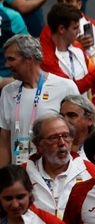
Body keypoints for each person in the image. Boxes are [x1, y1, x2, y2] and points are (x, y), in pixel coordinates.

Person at [0, 35, 79, 167]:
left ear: (29, 59)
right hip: (21, 175)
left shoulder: (66, 87)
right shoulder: (8, 92)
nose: (7, 65)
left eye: (11, 59)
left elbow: (80, 131)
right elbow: (4, 142)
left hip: (57, 172)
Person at [25, 113, 95, 217]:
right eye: (53, 138)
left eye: (66, 136)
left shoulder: (90, 171)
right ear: (39, 144)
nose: (62, 143)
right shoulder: (23, 174)